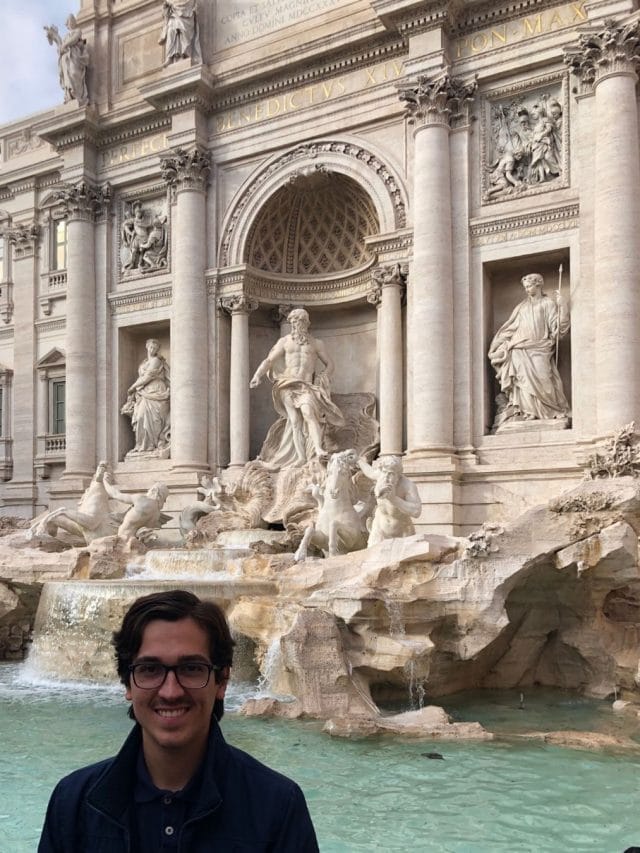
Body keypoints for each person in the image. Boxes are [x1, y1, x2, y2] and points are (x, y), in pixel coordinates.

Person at [39, 589, 319, 852]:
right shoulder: (72, 802)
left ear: (221, 681)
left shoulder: (279, 807)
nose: (170, 692)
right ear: (127, 683)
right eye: (150, 669)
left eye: (191, 669)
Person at [250, 307, 344, 468]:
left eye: (299, 321)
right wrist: (257, 375)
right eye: (293, 321)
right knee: (294, 421)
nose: (295, 324)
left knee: (308, 413)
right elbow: (269, 361)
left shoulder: (316, 343)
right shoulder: (284, 341)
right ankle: (301, 457)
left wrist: (324, 375)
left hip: (306, 385)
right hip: (287, 383)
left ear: (306, 322)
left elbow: (330, 364)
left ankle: (319, 449)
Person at [488, 272, 570, 428]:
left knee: (544, 378)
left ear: (538, 284)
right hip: (518, 348)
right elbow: (510, 328)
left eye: (529, 286)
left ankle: (550, 410)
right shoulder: (522, 307)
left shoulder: (547, 303)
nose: (526, 290)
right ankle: (528, 412)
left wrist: (563, 308)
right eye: (525, 287)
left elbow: (558, 329)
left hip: (540, 348)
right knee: (522, 381)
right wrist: (497, 345)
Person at [121, 338, 171, 455]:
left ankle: (152, 446)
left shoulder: (156, 361)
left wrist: (133, 387)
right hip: (144, 393)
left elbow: (148, 376)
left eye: (156, 348)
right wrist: (136, 389)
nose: (153, 349)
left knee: (154, 419)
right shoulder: (143, 363)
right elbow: (142, 378)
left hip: (156, 390)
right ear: (147, 347)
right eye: (151, 347)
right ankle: (141, 446)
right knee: (140, 417)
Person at [44, 15, 89, 106]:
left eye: (68, 21)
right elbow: (61, 47)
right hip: (66, 60)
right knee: (67, 78)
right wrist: (54, 36)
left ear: (72, 21)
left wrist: (65, 45)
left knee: (73, 73)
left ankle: (78, 96)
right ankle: (70, 97)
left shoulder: (77, 31)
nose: (67, 24)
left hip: (74, 58)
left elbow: (74, 39)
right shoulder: (65, 37)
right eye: (66, 22)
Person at [159, 0, 203, 66]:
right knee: (171, 31)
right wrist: (167, 6)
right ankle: (170, 57)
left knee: (183, 33)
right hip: (173, 15)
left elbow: (191, 3)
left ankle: (183, 55)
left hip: (186, 15)